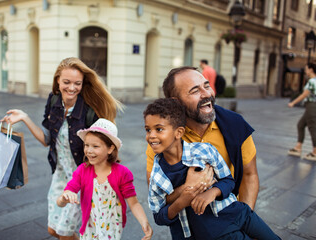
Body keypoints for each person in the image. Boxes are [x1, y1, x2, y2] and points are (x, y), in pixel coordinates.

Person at [1, 57, 123, 240]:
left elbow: (104, 150)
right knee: (53, 231)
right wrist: (25, 118)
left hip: (81, 178)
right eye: (66, 82)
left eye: (77, 83)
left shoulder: (89, 111)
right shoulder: (53, 101)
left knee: (63, 233)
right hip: (59, 174)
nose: (72, 88)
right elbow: (46, 140)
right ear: (58, 80)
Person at [145, 98, 280, 240]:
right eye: (148, 130)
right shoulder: (157, 176)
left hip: (239, 213)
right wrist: (182, 201)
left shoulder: (204, 150)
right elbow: (159, 216)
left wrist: (213, 193)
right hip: (216, 232)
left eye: (159, 129)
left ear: (179, 132)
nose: (151, 136)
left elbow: (228, 180)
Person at [146, 66, 259, 212]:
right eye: (195, 91)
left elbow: (250, 175)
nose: (207, 94)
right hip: (188, 226)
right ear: (176, 102)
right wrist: (188, 188)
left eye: (207, 86)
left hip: (230, 214)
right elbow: (157, 197)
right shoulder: (163, 138)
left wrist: (245, 220)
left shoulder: (235, 124)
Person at [57, 118, 153, 240]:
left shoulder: (122, 173)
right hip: (89, 228)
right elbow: (61, 200)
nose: (89, 150)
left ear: (110, 149)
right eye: (86, 145)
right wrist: (64, 198)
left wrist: (144, 222)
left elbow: (133, 203)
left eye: (95, 146)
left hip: (112, 229)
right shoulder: (82, 170)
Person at [288, 62, 316, 161]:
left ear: (311, 69)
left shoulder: (312, 81)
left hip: (312, 106)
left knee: (312, 128)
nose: (305, 71)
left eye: (306, 69)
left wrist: (293, 103)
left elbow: (304, 95)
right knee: (300, 125)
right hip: (310, 106)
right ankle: (298, 147)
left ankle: (315, 152)